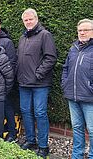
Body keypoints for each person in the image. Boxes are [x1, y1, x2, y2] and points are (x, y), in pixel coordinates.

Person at [17, 8, 57, 158]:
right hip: (24, 83)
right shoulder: (23, 37)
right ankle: (30, 140)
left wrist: (38, 74)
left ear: (36, 19)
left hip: (40, 83)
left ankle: (43, 146)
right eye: (25, 20)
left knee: (40, 113)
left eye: (30, 19)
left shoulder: (45, 35)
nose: (28, 22)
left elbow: (51, 58)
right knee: (25, 111)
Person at [61, 19, 93, 159]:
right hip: (72, 97)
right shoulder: (73, 48)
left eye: (85, 30)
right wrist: (65, 83)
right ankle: (77, 156)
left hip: (89, 98)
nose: (82, 33)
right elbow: (66, 68)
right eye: (80, 30)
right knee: (77, 129)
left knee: (92, 131)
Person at [0, 17, 18, 142]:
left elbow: (12, 62)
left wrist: (7, 82)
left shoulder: (7, 42)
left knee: (7, 107)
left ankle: (12, 133)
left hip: (3, 83)